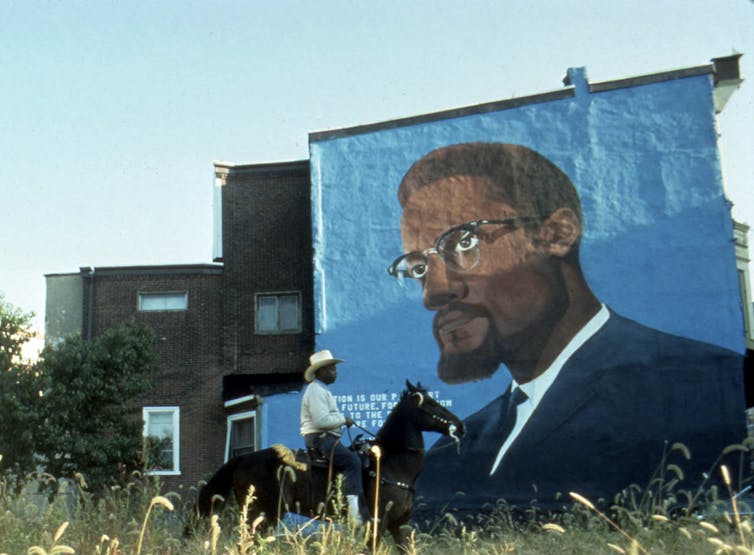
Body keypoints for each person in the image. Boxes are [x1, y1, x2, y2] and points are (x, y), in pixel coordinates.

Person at [387, 142, 746, 516]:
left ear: (557, 233)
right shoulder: (450, 453)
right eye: (418, 267)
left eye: (463, 242)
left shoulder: (698, 387)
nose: (434, 292)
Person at [300, 349, 368, 525]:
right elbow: (321, 420)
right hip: (320, 438)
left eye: (334, 369)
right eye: (331, 369)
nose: (335, 372)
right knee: (353, 462)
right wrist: (343, 419)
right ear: (320, 371)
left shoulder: (321, 389)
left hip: (325, 438)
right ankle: (353, 514)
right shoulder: (316, 390)